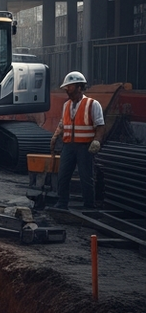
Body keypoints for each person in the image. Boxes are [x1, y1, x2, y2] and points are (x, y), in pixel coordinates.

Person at [51, 71, 105, 211]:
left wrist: (97, 141)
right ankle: (62, 202)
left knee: (86, 176)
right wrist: (56, 135)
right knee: (63, 175)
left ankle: (89, 205)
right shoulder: (66, 105)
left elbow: (100, 126)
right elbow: (63, 124)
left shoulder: (92, 104)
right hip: (68, 146)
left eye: (70, 86)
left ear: (79, 87)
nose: (67, 89)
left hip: (84, 147)